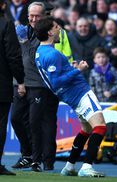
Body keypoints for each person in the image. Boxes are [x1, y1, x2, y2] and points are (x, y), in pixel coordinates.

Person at [34, 16, 106, 177]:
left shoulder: (40, 52)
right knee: (100, 126)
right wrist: (78, 70)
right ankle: (87, 166)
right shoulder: (52, 54)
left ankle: (69, 166)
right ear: (50, 32)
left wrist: (70, 69)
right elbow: (57, 81)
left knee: (86, 129)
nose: (60, 29)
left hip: (70, 95)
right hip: (79, 92)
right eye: (57, 26)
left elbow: (55, 78)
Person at [11, 1, 59, 172]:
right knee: (16, 118)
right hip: (21, 82)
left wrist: (24, 42)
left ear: (45, 15)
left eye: (37, 15)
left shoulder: (53, 33)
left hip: (41, 84)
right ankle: (28, 154)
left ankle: (44, 160)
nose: (32, 19)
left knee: (39, 123)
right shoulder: (22, 31)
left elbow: (43, 57)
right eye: (31, 15)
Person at [0, 0, 25, 175]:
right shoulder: (6, 24)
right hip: (1, 85)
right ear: (2, 6)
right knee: (0, 125)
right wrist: (21, 79)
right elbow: (13, 55)